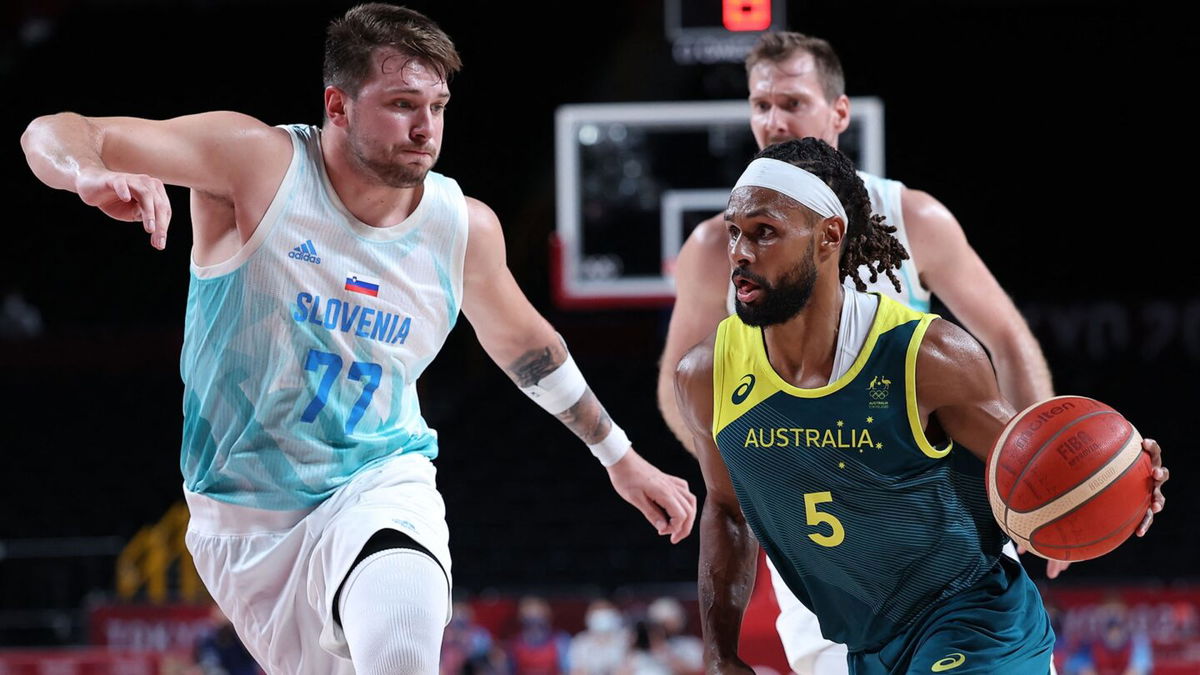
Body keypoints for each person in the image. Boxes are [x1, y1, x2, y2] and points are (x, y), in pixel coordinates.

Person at [21, 4, 695, 673]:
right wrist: (85, 172)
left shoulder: (461, 227)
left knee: (401, 643)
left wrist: (620, 456)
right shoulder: (257, 165)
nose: (426, 127)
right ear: (337, 107)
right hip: (244, 520)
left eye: (437, 105)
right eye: (402, 103)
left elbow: (528, 346)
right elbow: (58, 130)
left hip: (379, 478)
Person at [673, 138, 1168, 673]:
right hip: (866, 645)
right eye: (734, 233)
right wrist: (721, 654)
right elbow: (726, 511)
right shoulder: (707, 376)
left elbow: (1031, 463)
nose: (740, 253)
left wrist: (1115, 480)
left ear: (828, 236)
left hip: (975, 620)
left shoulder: (926, 356)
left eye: (764, 232)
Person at [655, 31, 1058, 673]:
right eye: (760, 105)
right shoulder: (714, 264)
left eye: (791, 101)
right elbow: (712, 458)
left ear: (840, 112)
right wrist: (771, 470)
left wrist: (1048, 491)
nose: (774, 120)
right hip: (822, 558)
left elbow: (1007, 342)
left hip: (935, 536)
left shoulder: (912, 227)